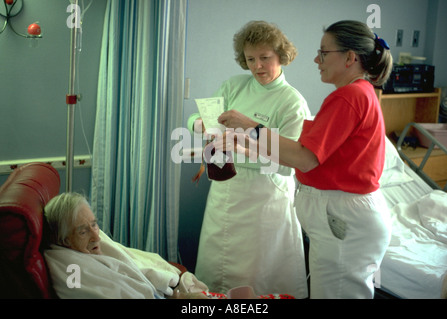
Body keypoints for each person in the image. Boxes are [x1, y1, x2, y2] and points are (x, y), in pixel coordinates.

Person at [216, 20, 393, 298]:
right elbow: (304, 151)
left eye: (324, 53)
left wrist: (250, 127)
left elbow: (305, 158)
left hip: (344, 216)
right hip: (342, 216)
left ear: (350, 57)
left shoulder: (348, 97)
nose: (316, 59)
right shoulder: (357, 93)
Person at [187, 21, 311, 298]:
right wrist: (200, 125)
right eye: (251, 59)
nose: (257, 66)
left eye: (265, 58)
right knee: (216, 269)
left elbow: (288, 164)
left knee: (256, 275)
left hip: (264, 200)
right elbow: (197, 117)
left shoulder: (291, 102)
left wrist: (245, 148)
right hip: (225, 190)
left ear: (281, 55)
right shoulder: (234, 86)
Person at [43, 192, 208, 299]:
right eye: (83, 232)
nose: (96, 237)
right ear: (64, 240)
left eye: (94, 225)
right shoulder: (71, 269)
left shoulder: (89, 252)